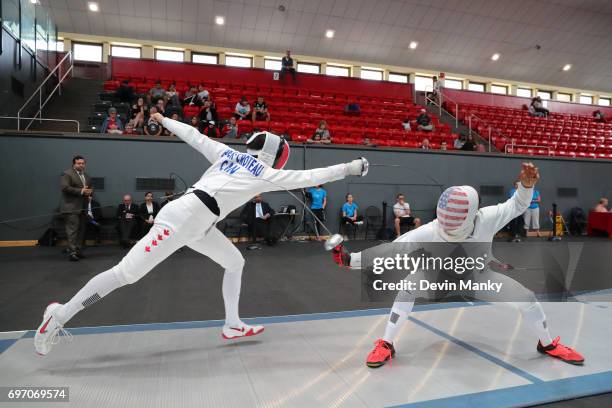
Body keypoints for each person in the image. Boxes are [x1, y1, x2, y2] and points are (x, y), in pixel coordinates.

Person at [34, 113, 368, 355]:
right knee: (127, 274)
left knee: (235, 261)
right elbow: (310, 176)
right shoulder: (265, 172)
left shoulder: (228, 153)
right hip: (183, 218)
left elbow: (194, 136)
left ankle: (232, 323)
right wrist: (350, 168)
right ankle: (58, 315)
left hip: (199, 224)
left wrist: (164, 120)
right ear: (273, 155)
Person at [331, 163, 585, 367]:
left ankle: (547, 343)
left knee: (526, 297)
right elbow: (393, 249)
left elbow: (517, 205)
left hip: (479, 277)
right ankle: (387, 343)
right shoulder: (435, 229)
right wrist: (352, 260)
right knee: (408, 287)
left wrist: (526, 187)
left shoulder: (485, 219)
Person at [60, 156, 92, 262]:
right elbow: (64, 187)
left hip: (83, 207)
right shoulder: (67, 173)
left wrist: (90, 192)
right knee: (72, 231)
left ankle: (78, 250)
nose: (81, 165)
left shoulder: (87, 176)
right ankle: (72, 252)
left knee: (81, 230)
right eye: (79, 163)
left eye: (83, 163)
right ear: (74, 164)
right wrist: (81, 191)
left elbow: (88, 188)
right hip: (71, 208)